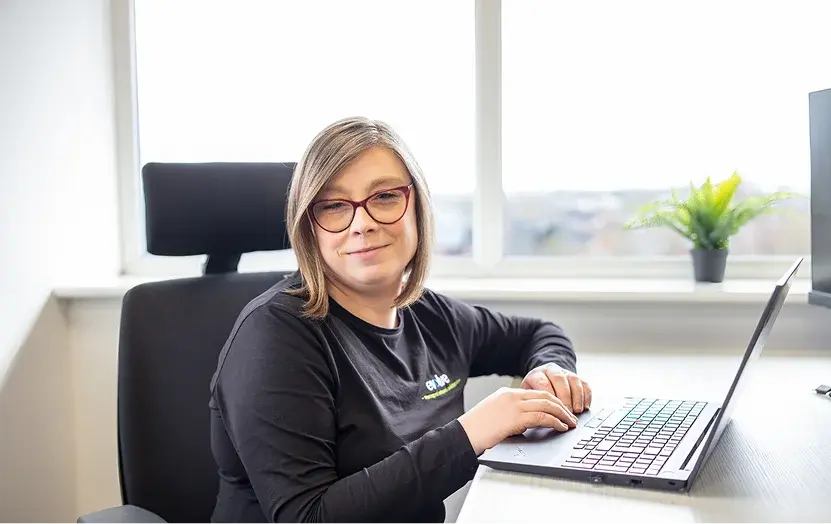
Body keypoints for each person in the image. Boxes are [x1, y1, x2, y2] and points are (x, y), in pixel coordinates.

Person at [208, 116, 593, 524]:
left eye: (386, 196)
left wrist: (552, 370)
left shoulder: (431, 316)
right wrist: (472, 433)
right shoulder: (275, 336)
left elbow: (537, 334)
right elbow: (307, 518)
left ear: (417, 208)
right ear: (310, 228)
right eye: (335, 206)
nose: (363, 223)